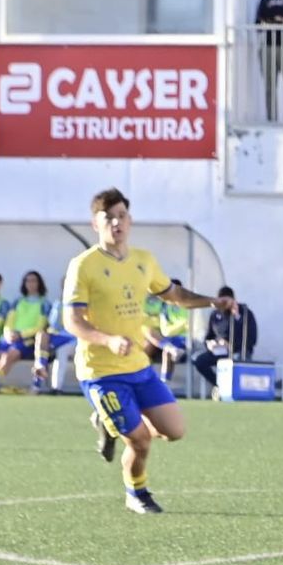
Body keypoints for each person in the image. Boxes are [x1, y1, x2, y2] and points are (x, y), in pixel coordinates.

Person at [61, 189, 218, 512]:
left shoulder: (144, 261)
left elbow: (174, 294)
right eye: (108, 218)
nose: (116, 223)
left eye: (121, 216)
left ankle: (110, 423)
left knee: (174, 431)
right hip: (101, 373)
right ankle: (137, 493)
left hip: (138, 367)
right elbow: (72, 322)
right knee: (140, 440)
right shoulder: (83, 266)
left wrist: (214, 301)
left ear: (130, 220)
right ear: (95, 223)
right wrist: (108, 340)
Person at [0, 271, 75, 394]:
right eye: (28, 280)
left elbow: (41, 325)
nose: (31, 283)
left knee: (10, 355)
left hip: (28, 339)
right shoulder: (18, 301)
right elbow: (10, 319)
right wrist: (8, 333)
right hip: (12, 337)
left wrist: (21, 335)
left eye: (34, 280)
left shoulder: (44, 303)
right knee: (0, 356)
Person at [192, 286, 258, 395]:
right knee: (199, 361)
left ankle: (236, 390)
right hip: (220, 351)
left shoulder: (245, 313)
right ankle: (220, 385)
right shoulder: (215, 315)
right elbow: (209, 336)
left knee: (237, 360)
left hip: (238, 351)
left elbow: (251, 338)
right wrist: (210, 344)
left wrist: (236, 316)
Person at [155, 280, 189, 381]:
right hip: (169, 339)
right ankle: (164, 381)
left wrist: (178, 326)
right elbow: (165, 330)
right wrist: (182, 325)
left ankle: (164, 382)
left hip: (185, 340)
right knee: (167, 350)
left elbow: (190, 325)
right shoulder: (165, 307)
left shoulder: (187, 305)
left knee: (167, 350)